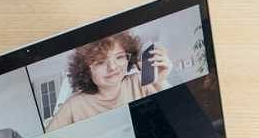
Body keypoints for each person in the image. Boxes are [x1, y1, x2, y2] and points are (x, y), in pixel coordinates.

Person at [44, 30, 172, 129]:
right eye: (100, 62)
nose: (112, 67)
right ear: (85, 70)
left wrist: (160, 82)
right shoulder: (73, 105)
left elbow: (176, 117)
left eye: (119, 57)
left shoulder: (140, 82)